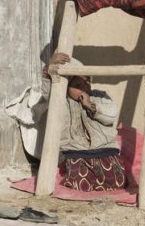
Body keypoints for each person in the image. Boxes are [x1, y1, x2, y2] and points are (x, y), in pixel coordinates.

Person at [41, 52, 127, 192]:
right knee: (79, 182)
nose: (84, 87)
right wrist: (49, 68)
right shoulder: (60, 100)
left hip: (104, 149)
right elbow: (47, 92)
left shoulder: (99, 96)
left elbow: (111, 115)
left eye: (87, 82)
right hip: (76, 151)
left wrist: (92, 106)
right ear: (66, 85)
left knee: (118, 181)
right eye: (78, 84)